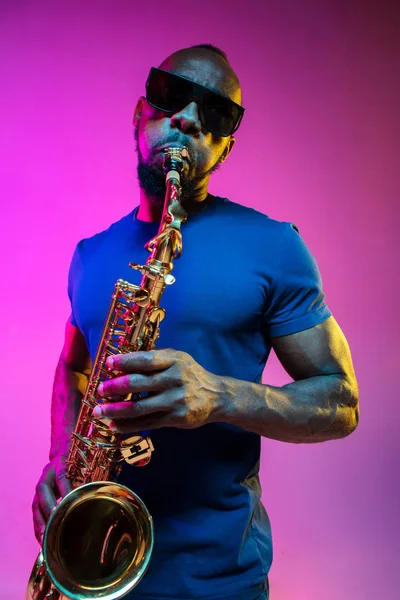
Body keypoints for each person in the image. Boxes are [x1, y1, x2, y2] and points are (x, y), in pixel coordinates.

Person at [32, 44, 359, 600]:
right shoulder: (90, 253)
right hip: (90, 569)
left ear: (224, 147)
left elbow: (341, 403)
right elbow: (72, 367)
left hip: (216, 580)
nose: (187, 118)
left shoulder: (274, 246)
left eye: (214, 115)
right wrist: (61, 456)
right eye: (170, 95)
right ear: (140, 113)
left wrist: (220, 397)